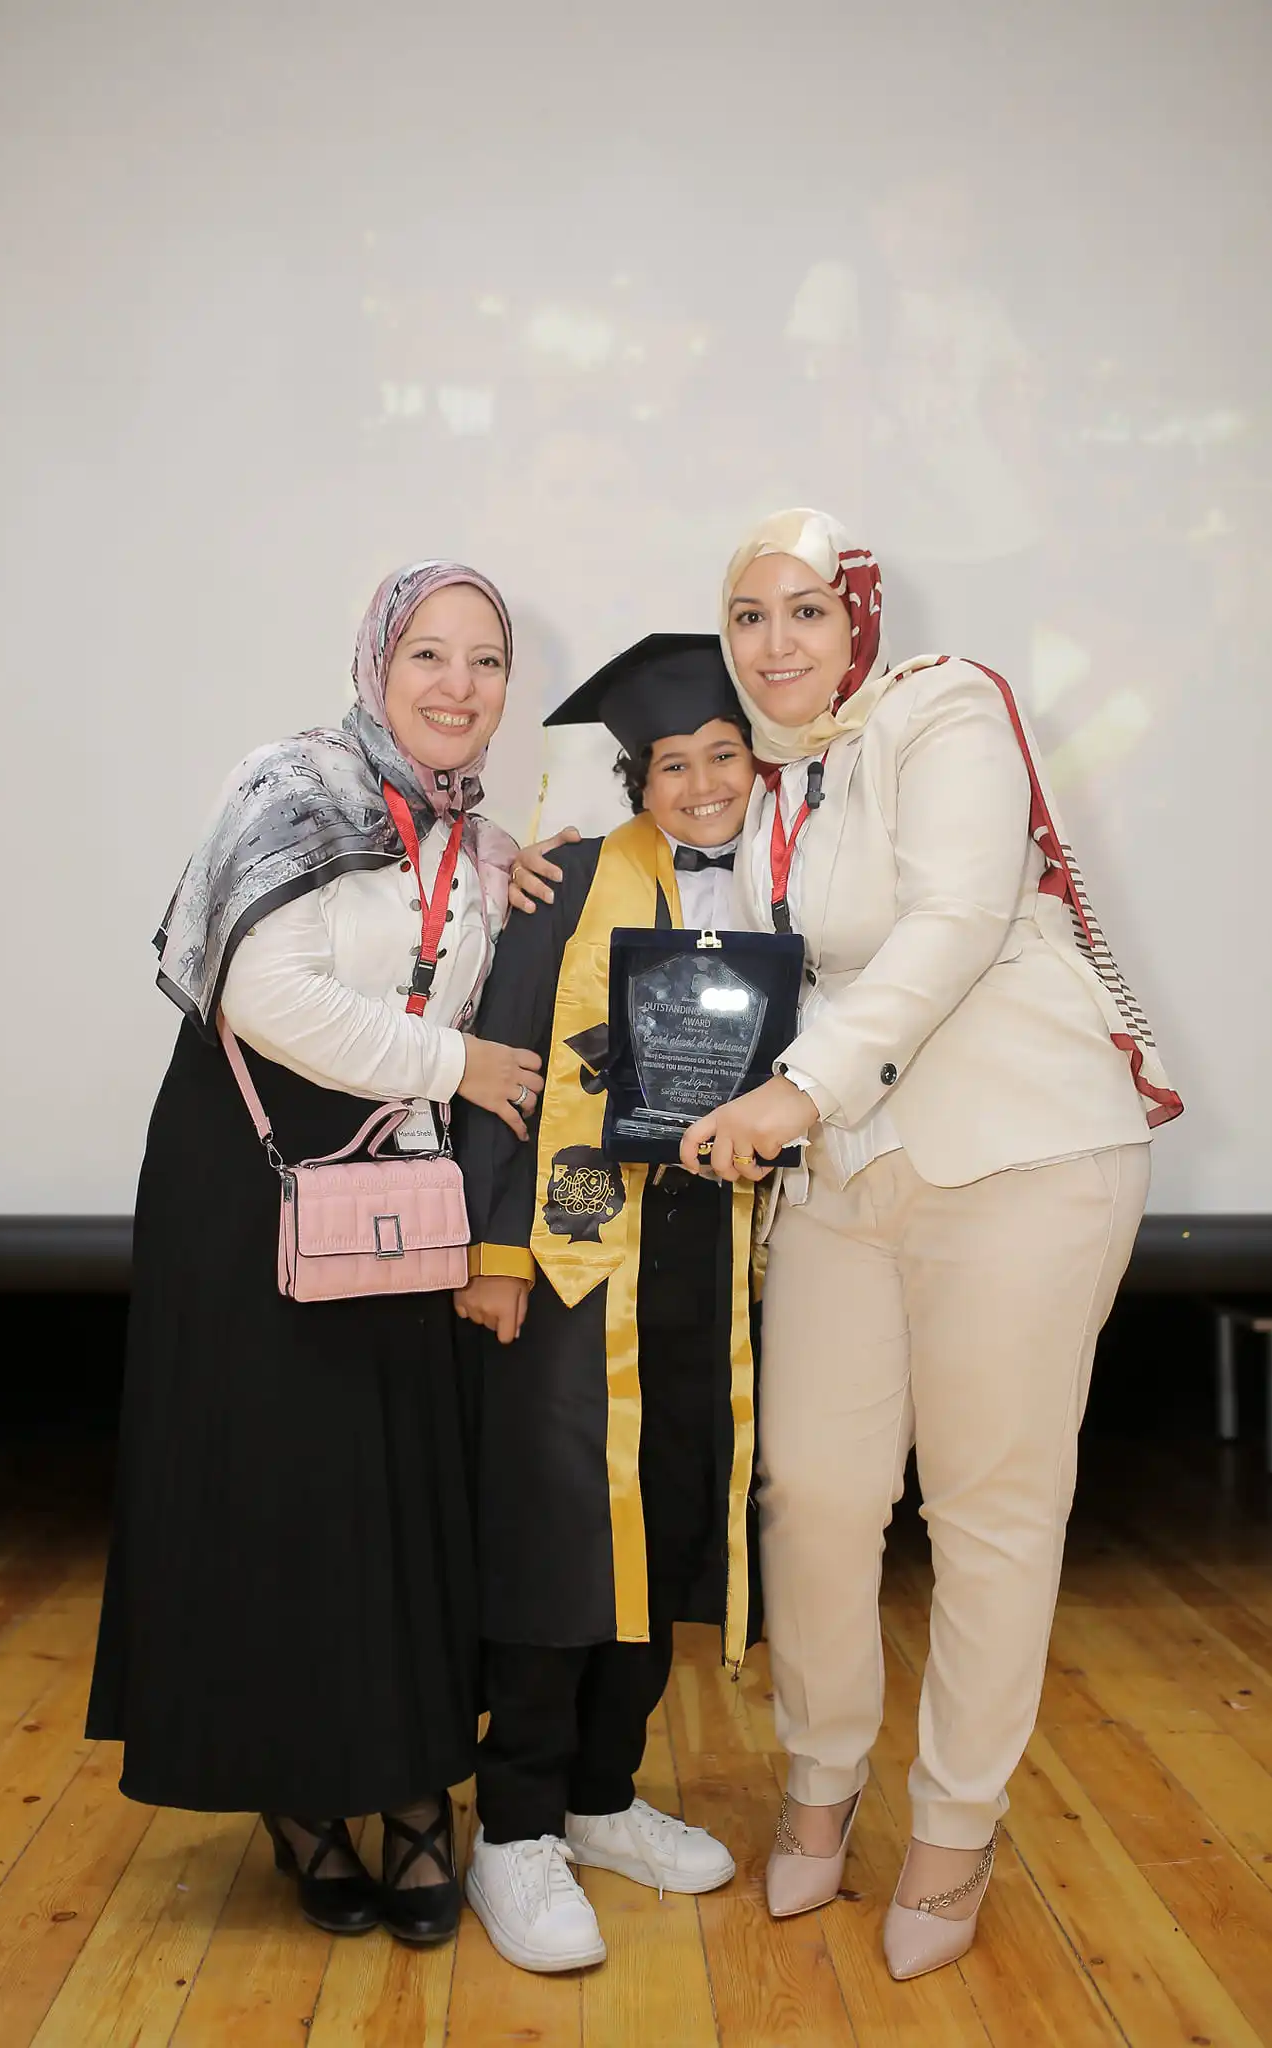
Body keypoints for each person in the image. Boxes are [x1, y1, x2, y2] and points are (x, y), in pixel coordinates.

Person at [679, 507, 1180, 1980]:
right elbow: (730, 943)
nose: (776, 642)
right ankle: (823, 1777)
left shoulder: (942, 707)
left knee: (990, 1513)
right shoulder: (762, 778)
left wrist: (798, 1091)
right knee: (815, 1495)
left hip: (1021, 1152)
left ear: (860, 618)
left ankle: (957, 1827)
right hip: (845, 1172)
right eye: (749, 616)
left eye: (806, 610)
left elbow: (955, 919)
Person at [86, 561, 545, 1947]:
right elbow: (263, 991)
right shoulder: (291, 787)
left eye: (484, 661)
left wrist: (515, 873)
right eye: (427, 654)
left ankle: (412, 1797)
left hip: (387, 1194)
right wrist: (457, 1064)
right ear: (375, 664)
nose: (457, 685)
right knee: (272, 1493)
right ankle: (297, 1797)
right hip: (249, 1188)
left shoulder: (471, 837)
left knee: (390, 1497)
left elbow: (441, 962)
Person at [453, 635, 759, 1973]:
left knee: (665, 1522)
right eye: (672, 764)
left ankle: (601, 1795)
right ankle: (515, 1827)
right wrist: (495, 1252)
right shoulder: (569, 881)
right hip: (576, 1261)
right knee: (561, 1532)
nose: (701, 785)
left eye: (723, 755)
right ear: (638, 779)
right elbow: (510, 1064)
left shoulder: (784, 887)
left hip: (709, 1265)